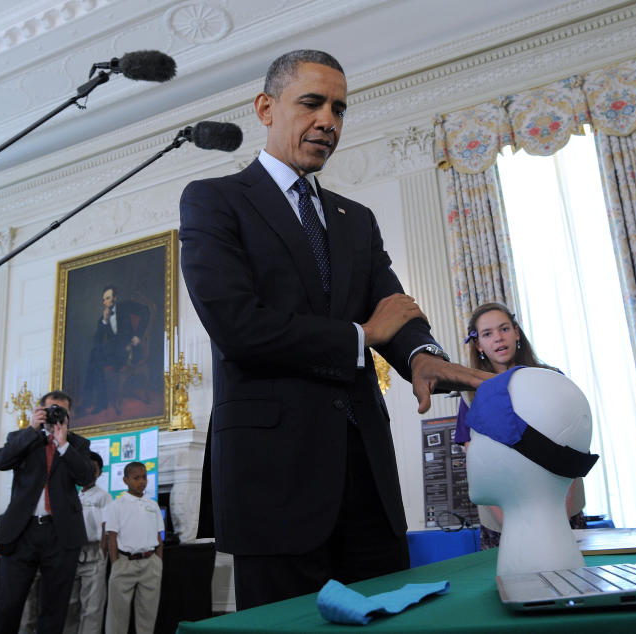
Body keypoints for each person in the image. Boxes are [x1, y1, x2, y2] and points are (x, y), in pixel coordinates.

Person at [179, 49, 489, 609]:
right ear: (266, 108)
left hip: (366, 479)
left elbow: (395, 309)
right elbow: (237, 326)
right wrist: (361, 336)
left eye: (340, 109)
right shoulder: (215, 201)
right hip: (273, 483)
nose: (329, 120)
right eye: (312, 103)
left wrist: (423, 355)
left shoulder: (355, 218)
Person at [454, 302, 587, 549]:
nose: (498, 338)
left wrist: (558, 519)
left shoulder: (552, 379)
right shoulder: (470, 396)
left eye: (504, 329)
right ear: (478, 344)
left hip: (562, 510)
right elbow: (479, 466)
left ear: (517, 332)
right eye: (487, 334)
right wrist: (514, 526)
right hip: (502, 522)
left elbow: (572, 448)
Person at [0, 390, 93, 634]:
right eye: (51, 409)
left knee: (54, 609)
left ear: (69, 414)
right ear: (39, 410)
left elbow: (86, 476)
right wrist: (32, 429)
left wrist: (63, 444)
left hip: (60, 533)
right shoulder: (22, 437)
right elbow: (0, 462)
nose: (55, 414)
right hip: (22, 532)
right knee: (8, 605)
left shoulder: (78, 444)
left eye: (61, 410)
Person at [103, 462, 164, 634]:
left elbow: (159, 536)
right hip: (125, 563)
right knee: (117, 615)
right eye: (136, 478)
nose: (141, 481)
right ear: (125, 480)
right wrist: (116, 564)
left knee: (148, 613)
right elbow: (112, 537)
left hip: (150, 563)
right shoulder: (117, 505)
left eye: (144, 477)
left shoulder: (153, 505)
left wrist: (158, 560)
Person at [82, 285, 151, 416]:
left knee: (95, 358)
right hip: (115, 353)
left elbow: (146, 311)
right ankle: (98, 402)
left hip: (129, 349)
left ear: (115, 298)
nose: (105, 302)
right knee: (94, 356)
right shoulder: (104, 317)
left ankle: (97, 402)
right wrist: (104, 321)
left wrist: (138, 335)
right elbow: (96, 341)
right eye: (104, 300)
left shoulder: (125, 306)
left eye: (108, 298)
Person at [64, 452, 112, 634]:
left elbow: (108, 527)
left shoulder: (103, 497)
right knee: (70, 604)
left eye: (93, 469)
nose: (89, 473)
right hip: (73, 553)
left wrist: (102, 556)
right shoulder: (73, 496)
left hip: (94, 553)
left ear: (99, 473)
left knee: (92, 607)